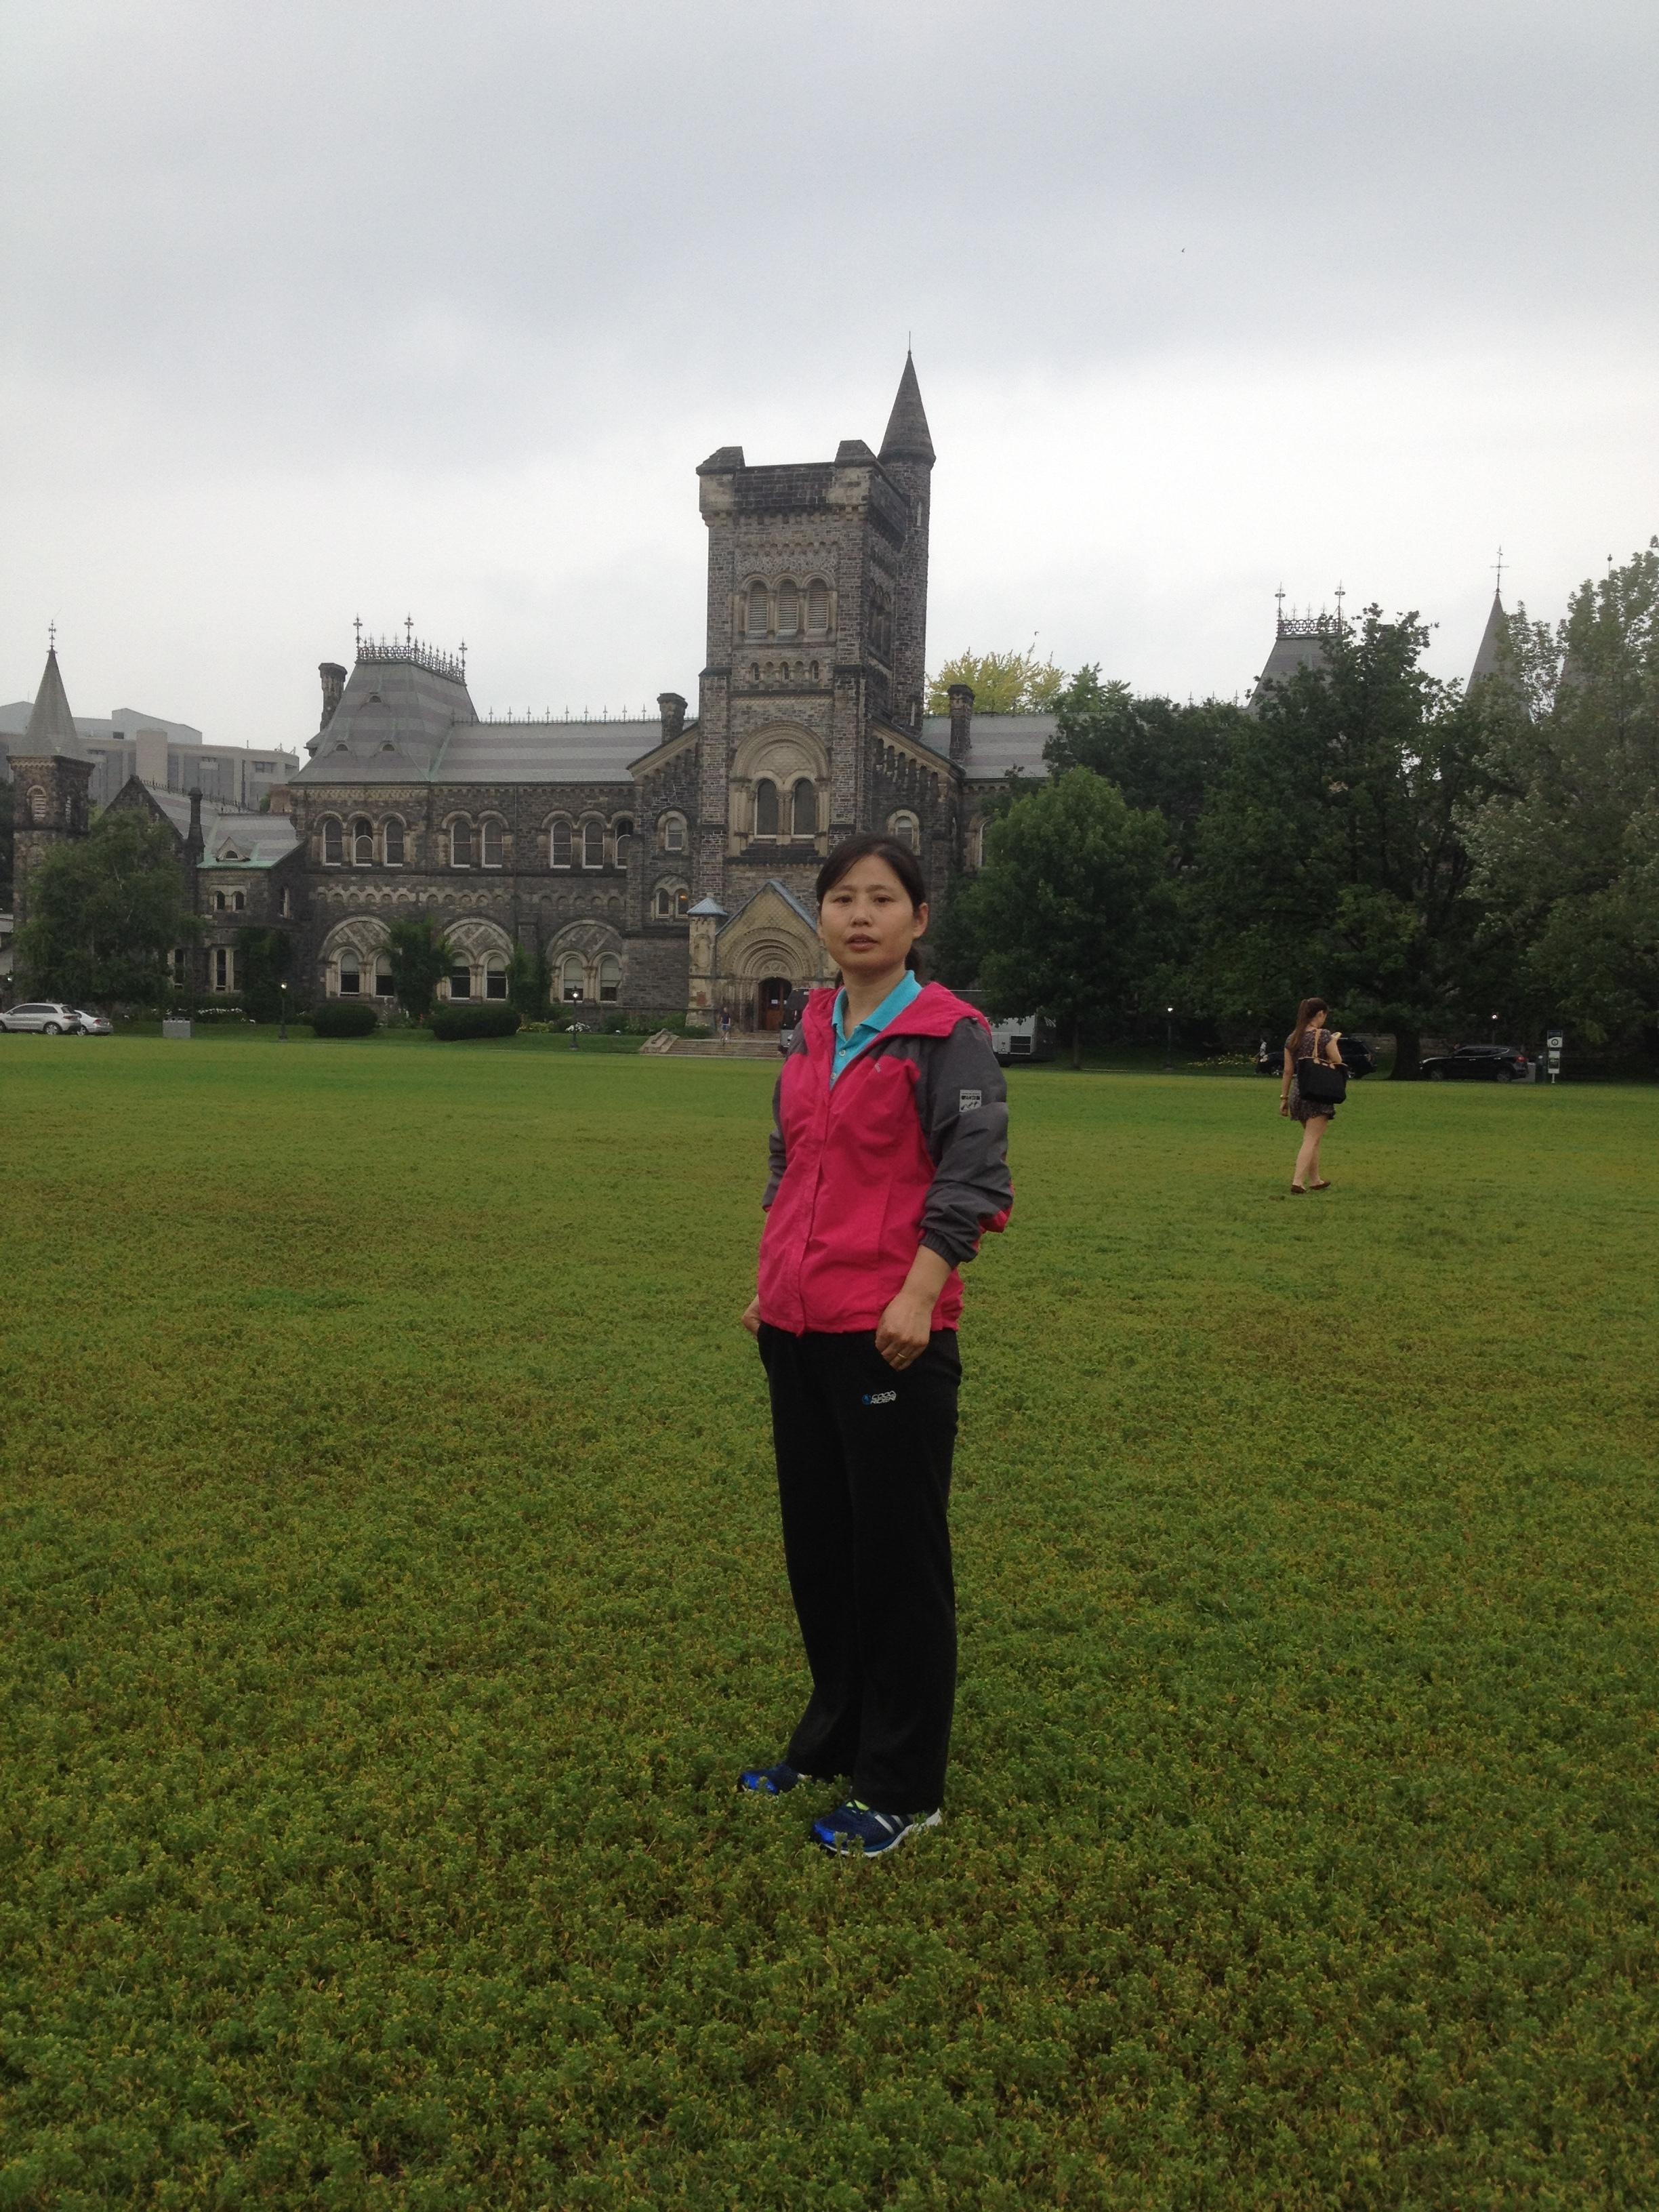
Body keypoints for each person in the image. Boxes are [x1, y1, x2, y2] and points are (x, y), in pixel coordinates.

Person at [738, 834, 1013, 1858]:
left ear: (918, 918)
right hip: (797, 1326)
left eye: (883, 898)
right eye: (843, 898)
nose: (861, 914)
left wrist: (920, 1295)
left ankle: (904, 1786)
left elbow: (974, 1178)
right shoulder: (813, 1027)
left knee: (897, 1561)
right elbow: (790, 1161)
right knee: (822, 1551)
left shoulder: (949, 1036)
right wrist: (771, 1277)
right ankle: (833, 1743)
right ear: (819, 917)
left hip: (891, 1334)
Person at [1281, 996, 1342, 1192]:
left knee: (1313, 1138)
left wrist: (1284, 1098)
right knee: (1310, 1140)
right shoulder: (1324, 1035)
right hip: (1319, 1094)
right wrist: (1334, 1041)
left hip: (1298, 1093)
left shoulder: (1292, 1038)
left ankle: (1315, 1180)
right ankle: (1298, 1181)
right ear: (1320, 1014)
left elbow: (1288, 1071)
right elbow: (1338, 1060)